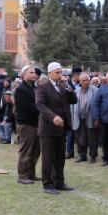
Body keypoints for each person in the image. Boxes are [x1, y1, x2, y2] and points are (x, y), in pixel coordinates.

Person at [35, 62, 77, 195]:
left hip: (62, 127)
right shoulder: (42, 87)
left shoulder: (64, 86)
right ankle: (47, 184)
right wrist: (53, 117)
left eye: (61, 72)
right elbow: (40, 105)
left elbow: (74, 100)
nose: (60, 75)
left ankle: (59, 182)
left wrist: (69, 86)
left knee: (60, 156)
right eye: (57, 72)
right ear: (50, 73)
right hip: (48, 128)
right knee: (48, 157)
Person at [14, 65, 41, 184]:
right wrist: (42, 108)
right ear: (24, 75)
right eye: (31, 72)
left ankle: (31, 173)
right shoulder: (21, 89)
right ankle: (23, 175)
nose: (34, 74)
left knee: (36, 150)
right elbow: (28, 107)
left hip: (35, 123)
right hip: (26, 124)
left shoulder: (33, 87)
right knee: (26, 150)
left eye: (34, 73)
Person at [71, 73, 98, 163]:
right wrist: (72, 117)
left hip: (91, 118)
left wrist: (97, 118)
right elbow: (72, 105)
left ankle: (93, 156)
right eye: (84, 80)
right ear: (80, 82)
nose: (87, 82)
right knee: (80, 138)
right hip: (79, 118)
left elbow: (98, 105)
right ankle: (82, 156)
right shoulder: (76, 91)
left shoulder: (96, 90)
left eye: (88, 80)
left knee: (92, 139)